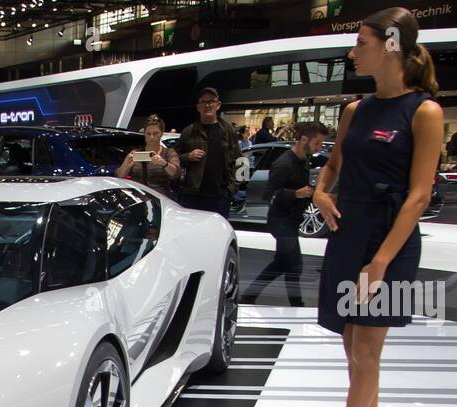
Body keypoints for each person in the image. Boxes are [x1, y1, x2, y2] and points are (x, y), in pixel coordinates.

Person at [312, 6, 442, 407]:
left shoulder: (425, 111)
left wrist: (382, 261)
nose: (352, 52)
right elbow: (333, 167)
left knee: (366, 348)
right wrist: (323, 192)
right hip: (348, 233)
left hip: (392, 243)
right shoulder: (356, 110)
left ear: (390, 45)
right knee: (353, 345)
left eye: (360, 43)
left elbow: (420, 195)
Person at [243, 121, 328, 308]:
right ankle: (296, 303)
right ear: (304, 139)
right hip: (280, 220)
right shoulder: (283, 164)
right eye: (317, 143)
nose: (319, 148)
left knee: (283, 263)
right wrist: (295, 194)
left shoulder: (302, 160)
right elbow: (269, 195)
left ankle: (249, 296)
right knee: (294, 264)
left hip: (291, 219)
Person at [175, 87, 239, 217]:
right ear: (198, 107)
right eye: (203, 102)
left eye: (211, 101)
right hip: (193, 196)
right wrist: (188, 157)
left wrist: (233, 189)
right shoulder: (189, 131)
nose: (207, 105)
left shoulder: (229, 131)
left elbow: (242, 162)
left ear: (218, 105)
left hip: (220, 197)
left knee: (218, 235)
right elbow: (174, 159)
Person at [115, 114, 181, 195]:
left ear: (161, 133)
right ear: (145, 135)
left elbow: (176, 173)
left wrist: (164, 164)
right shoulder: (135, 153)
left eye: (155, 133)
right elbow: (120, 176)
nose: (152, 137)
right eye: (148, 134)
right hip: (138, 197)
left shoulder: (168, 153)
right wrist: (126, 164)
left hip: (161, 198)